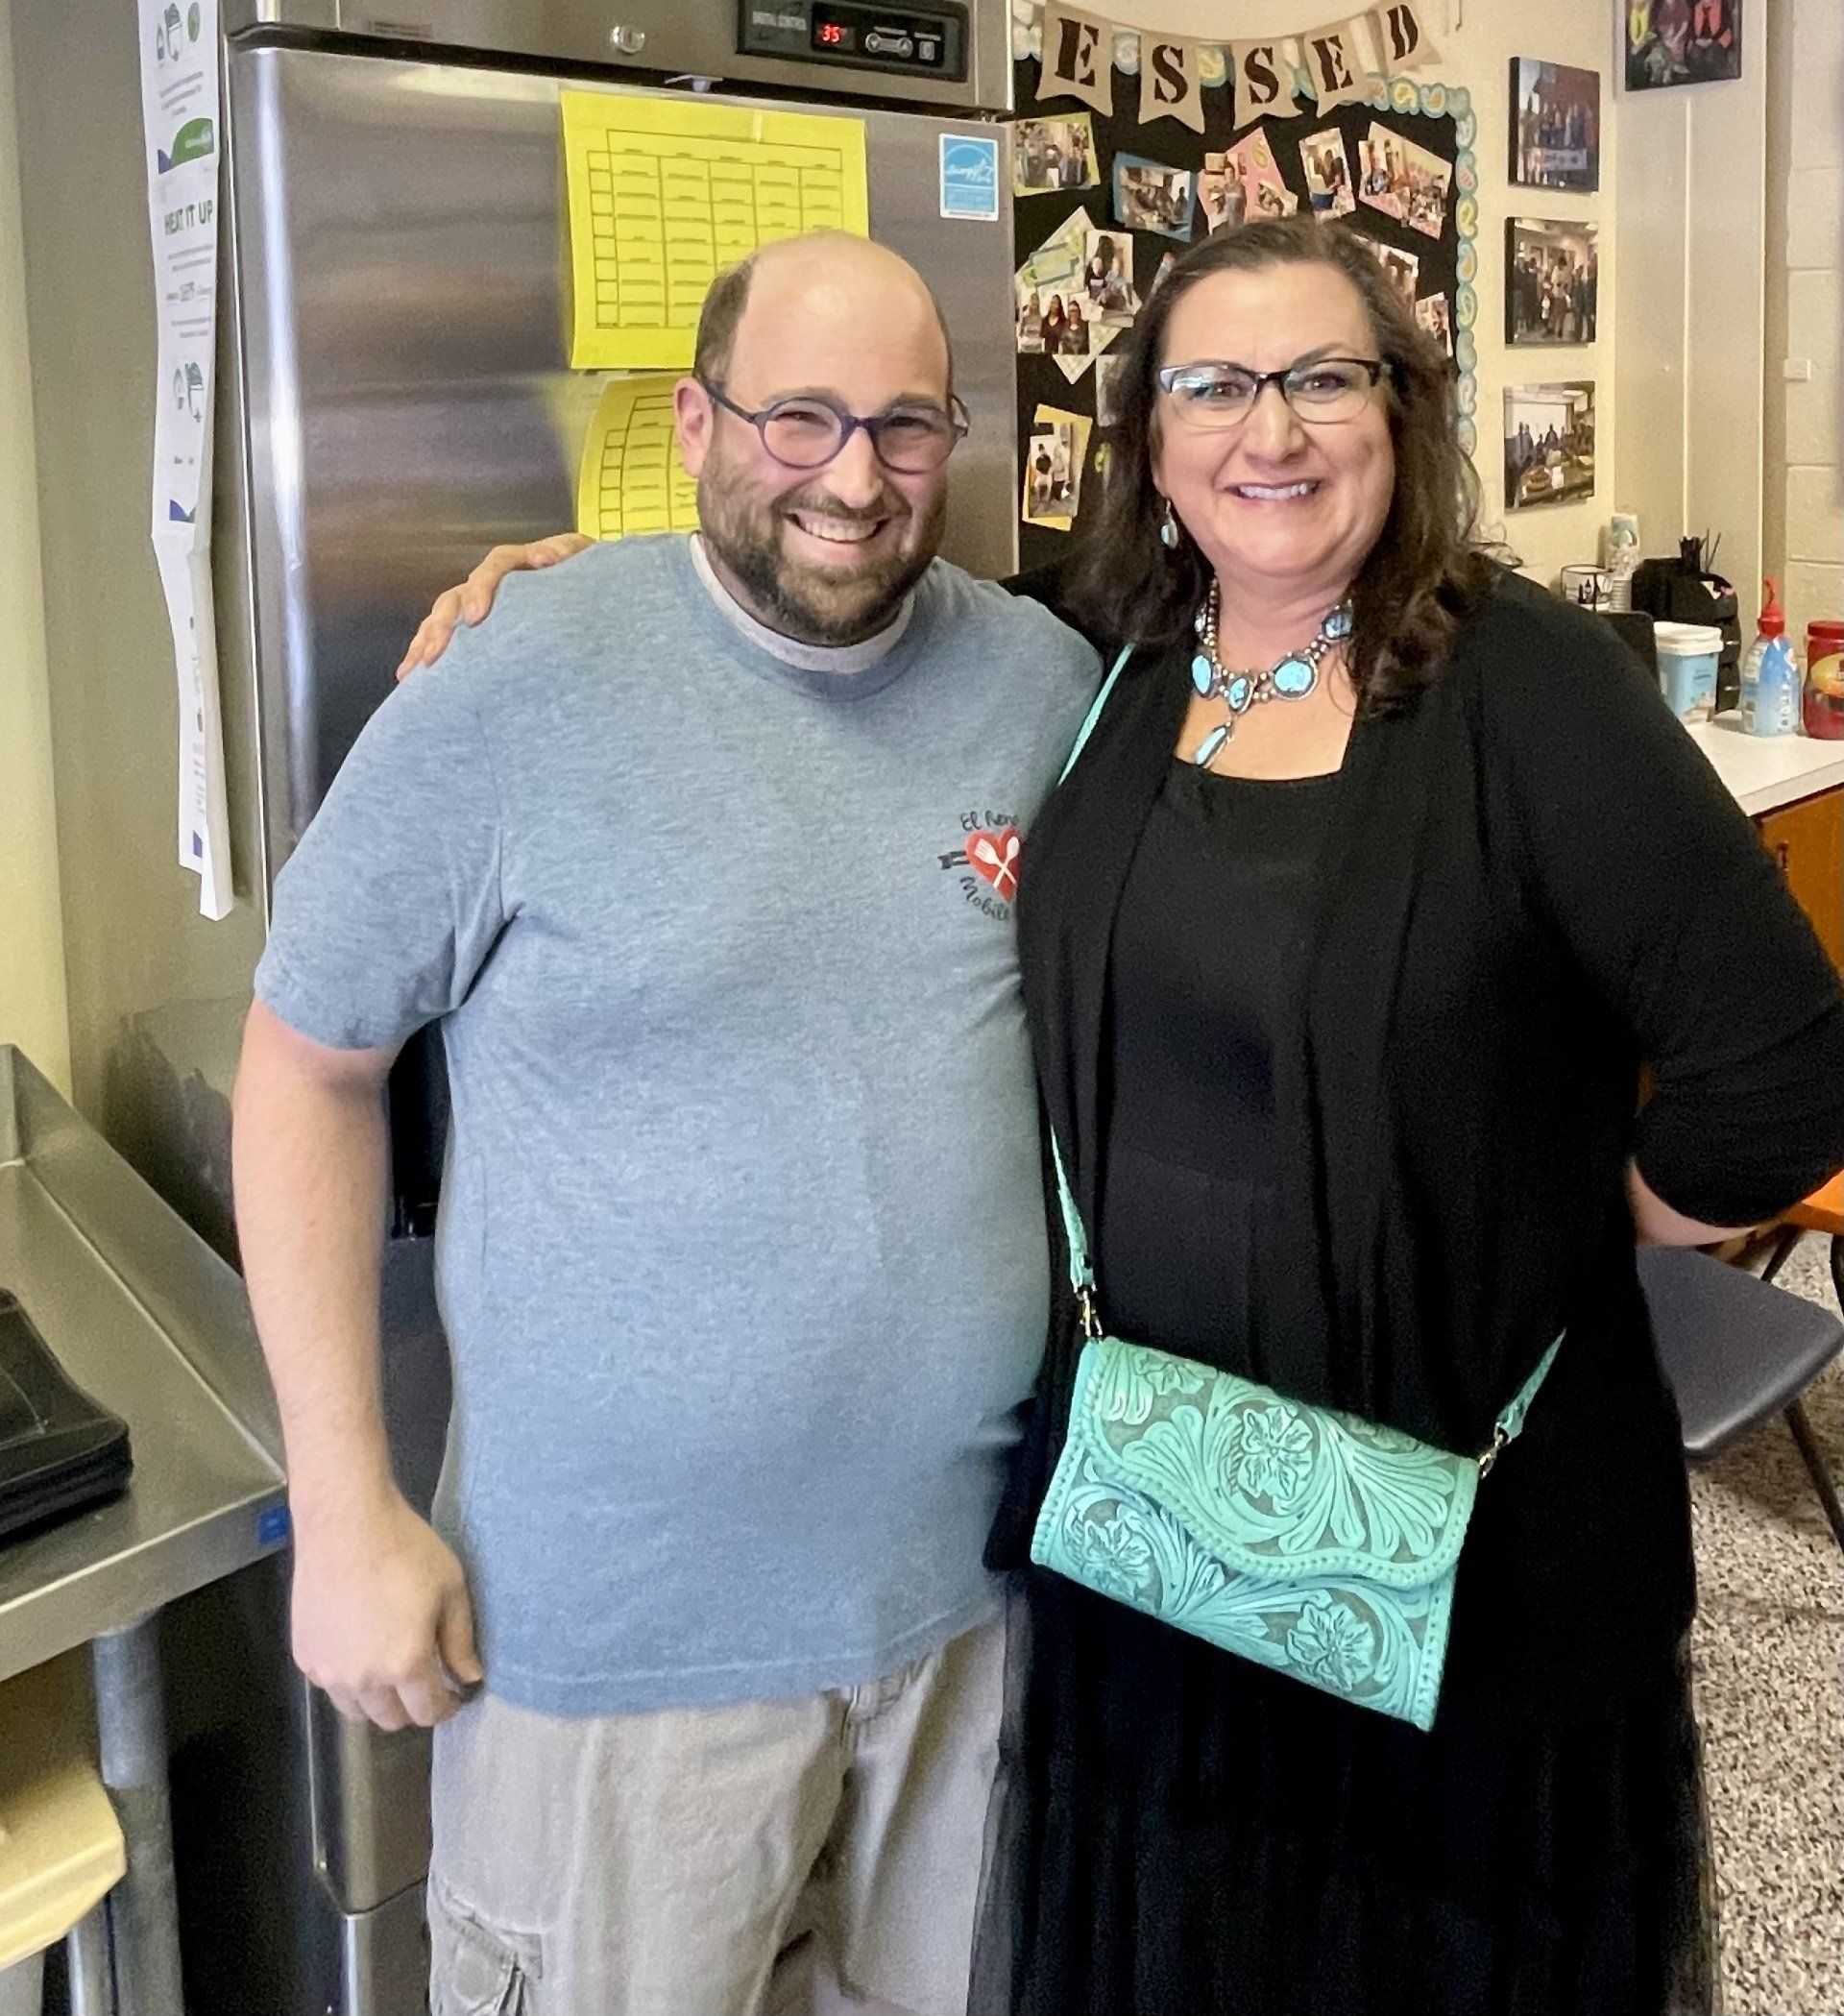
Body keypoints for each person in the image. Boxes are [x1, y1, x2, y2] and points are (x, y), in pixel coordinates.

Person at [404, 219, 1844, 2016]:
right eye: (1217, 384)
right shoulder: (1104, 660)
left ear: (1401, 416)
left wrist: (1550, 1217)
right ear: (1149, 442)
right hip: (1155, 1522)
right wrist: (577, 585)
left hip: (1459, 1551)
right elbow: (807, 572)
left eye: (1328, 377)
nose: (1276, 429)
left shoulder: (1531, 693)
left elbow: (1780, 1063)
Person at [234, 229, 1098, 2016]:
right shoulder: (517, 679)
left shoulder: (1036, 688)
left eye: (905, 427)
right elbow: (305, 1065)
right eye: (798, 419)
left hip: (971, 1623)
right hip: (620, 1656)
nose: (853, 479)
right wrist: (343, 1504)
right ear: (696, 426)